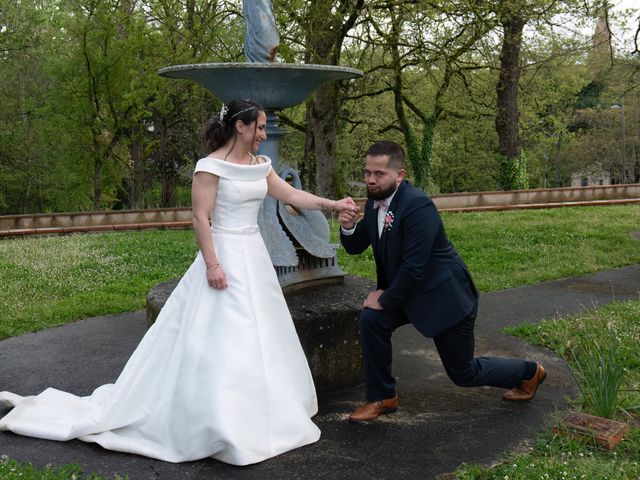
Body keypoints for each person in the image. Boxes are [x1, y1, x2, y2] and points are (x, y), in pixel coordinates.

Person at [0, 99, 358, 464]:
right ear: (241, 127)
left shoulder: (260, 166)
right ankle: (216, 421)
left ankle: (260, 413)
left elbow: (292, 195)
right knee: (225, 335)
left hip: (254, 257)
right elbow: (201, 219)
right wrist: (212, 264)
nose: (264, 135)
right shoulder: (209, 167)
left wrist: (333, 204)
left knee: (261, 334)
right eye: (260, 127)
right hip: (224, 255)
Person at [338, 140, 546, 423]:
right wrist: (347, 226)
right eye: (367, 173)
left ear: (399, 175)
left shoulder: (418, 206)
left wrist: (384, 299)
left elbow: (414, 268)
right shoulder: (376, 202)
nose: (370, 180)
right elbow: (355, 245)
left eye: (378, 174)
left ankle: (529, 372)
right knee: (372, 320)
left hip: (444, 299)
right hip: (409, 293)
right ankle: (382, 396)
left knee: (464, 374)